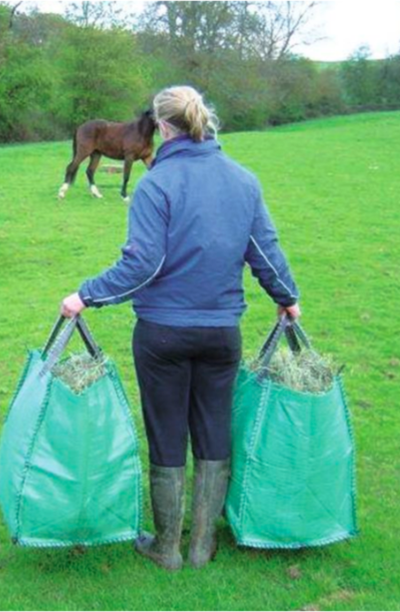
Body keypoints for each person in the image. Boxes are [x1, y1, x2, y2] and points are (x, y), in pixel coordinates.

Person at [60, 85, 301, 571]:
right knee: (213, 428)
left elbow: (142, 266)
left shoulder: (155, 185)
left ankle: (167, 547)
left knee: (167, 431)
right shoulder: (243, 180)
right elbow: (265, 252)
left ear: (162, 128)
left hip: (162, 335)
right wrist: (287, 297)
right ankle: (201, 547)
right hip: (220, 333)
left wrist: (85, 295)